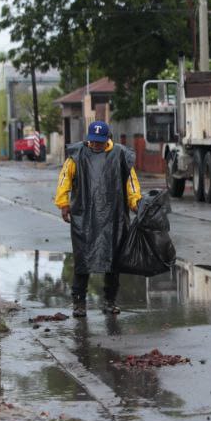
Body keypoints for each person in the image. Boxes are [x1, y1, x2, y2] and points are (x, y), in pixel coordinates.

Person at [54, 120, 141, 316]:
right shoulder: (77, 156)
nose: (96, 145)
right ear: (88, 139)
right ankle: (79, 303)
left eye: (100, 142)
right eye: (93, 141)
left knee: (113, 261)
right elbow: (64, 178)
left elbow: (131, 183)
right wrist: (63, 203)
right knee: (82, 260)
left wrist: (135, 202)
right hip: (84, 216)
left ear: (107, 139)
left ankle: (109, 301)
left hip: (114, 216)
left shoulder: (120, 155)